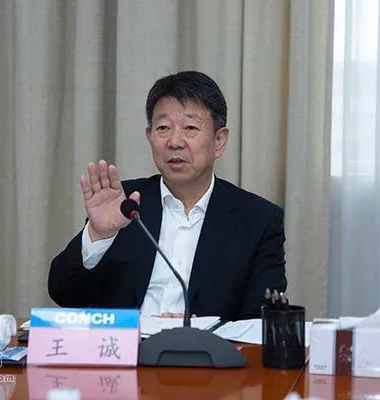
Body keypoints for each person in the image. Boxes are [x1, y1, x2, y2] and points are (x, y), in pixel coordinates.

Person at [48, 71, 286, 321]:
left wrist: (202, 332)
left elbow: (260, 321)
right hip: (126, 344)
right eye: (163, 128)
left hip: (205, 346)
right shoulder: (124, 203)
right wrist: (98, 236)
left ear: (219, 140)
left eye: (190, 128)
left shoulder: (258, 220)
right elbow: (64, 294)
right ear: (150, 136)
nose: (175, 142)